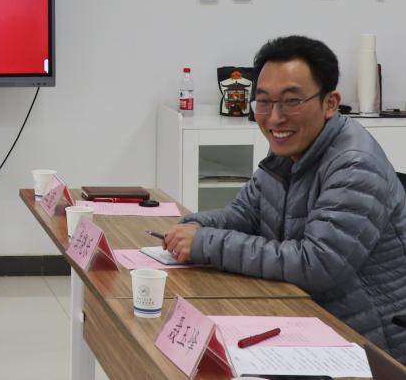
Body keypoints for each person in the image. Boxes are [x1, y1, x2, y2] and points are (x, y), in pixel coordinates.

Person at [164, 35, 406, 363]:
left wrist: (205, 242)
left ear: (330, 103)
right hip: (304, 314)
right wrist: (194, 226)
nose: (275, 118)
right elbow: (245, 213)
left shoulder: (355, 165)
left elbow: (316, 264)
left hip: (368, 344)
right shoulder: (292, 148)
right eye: (264, 102)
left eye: (291, 101)